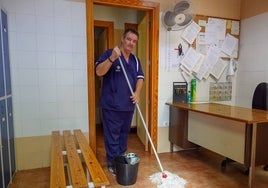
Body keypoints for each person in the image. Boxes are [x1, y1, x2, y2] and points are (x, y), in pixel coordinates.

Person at [95, 28, 144, 175]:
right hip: (111, 106)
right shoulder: (110, 54)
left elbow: (140, 78)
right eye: (129, 39)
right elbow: (98, 71)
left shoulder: (135, 61)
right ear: (122, 39)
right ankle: (112, 163)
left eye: (134, 41)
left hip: (128, 106)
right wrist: (112, 58)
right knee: (112, 137)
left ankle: (121, 162)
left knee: (123, 136)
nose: (131, 43)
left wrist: (137, 92)